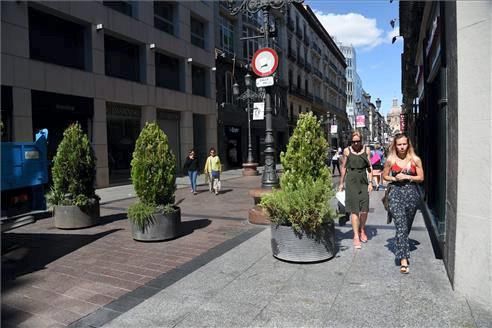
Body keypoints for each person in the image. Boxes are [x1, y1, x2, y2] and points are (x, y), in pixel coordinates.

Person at [382, 133, 424, 274]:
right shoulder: (390, 160)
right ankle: (403, 260)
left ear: (408, 144)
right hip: (395, 193)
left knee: (406, 227)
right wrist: (394, 179)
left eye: (404, 144)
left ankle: (400, 243)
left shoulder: (415, 159)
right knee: (401, 225)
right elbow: (385, 176)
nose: (401, 147)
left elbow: (421, 177)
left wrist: (406, 176)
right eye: (399, 144)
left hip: (411, 194)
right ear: (395, 145)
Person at [338, 131, 373, 249]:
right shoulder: (347, 151)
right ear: (351, 141)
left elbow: (370, 167)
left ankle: (362, 229)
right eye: (354, 141)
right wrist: (341, 183)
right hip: (351, 181)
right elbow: (343, 168)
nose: (356, 143)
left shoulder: (366, 150)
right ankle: (356, 236)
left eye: (358, 141)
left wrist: (371, 182)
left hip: (363, 180)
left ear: (361, 140)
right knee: (354, 210)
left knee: (364, 210)